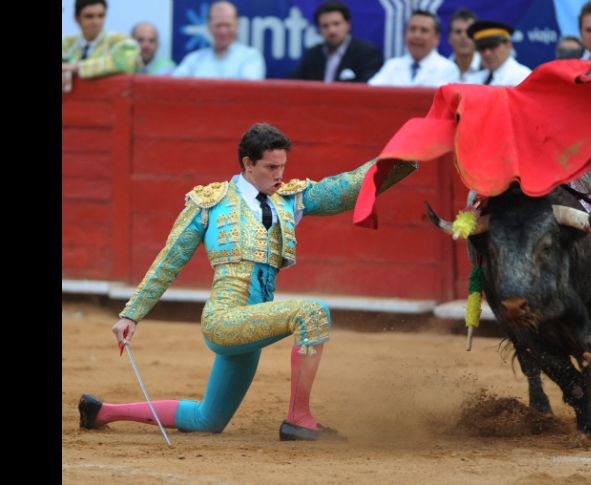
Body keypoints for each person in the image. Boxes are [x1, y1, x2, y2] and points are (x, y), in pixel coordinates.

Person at [78, 123, 417, 441]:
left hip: (253, 325)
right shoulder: (211, 202)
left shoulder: (288, 200)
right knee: (312, 313)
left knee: (208, 420)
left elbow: (346, 189)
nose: (280, 175)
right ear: (248, 164)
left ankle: (102, 413)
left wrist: (405, 154)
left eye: (282, 166)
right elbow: (169, 260)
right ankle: (298, 420)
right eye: (271, 167)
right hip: (224, 320)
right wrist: (131, 314)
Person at [289, 1, 382, 83]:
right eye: (325, 26)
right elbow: (292, 83)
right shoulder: (313, 54)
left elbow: (370, 87)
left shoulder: (366, 53)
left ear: (348, 24)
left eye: (336, 24)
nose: (332, 30)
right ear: (319, 29)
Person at [173, 1, 266, 80]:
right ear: (209, 27)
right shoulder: (193, 59)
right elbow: (174, 85)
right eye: (218, 25)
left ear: (237, 26)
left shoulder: (251, 57)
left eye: (228, 25)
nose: (223, 31)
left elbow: (248, 90)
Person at [368, 10, 460, 87]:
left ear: (436, 38)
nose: (417, 35)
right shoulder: (392, 66)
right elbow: (371, 93)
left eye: (424, 30)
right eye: (412, 29)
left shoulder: (448, 69)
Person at [62, 0, 139, 91]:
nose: (96, 22)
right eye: (89, 16)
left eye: (101, 16)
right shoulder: (67, 43)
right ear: (77, 19)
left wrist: (76, 67)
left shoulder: (120, 41)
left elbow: (124, 63)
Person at [465, 20, 531, 86]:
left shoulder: (522, 78)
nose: (486, 53)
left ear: (508, 45)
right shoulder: (476, 78)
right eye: (481, 48)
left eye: (492, 46)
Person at [447, 8, 483, 83]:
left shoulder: (489, 69)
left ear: (477, 37)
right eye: (458, 32)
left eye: (469, 32)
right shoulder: (441, 69)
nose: (463, 36)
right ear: (449, 38)